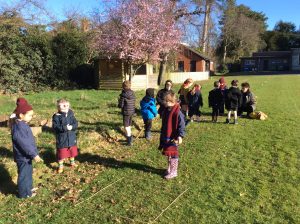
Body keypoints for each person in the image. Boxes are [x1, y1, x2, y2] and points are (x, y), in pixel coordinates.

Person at [11, 98, 43, 198]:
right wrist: (34, 154)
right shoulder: (18, 127)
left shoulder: (22, 124)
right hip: (23, 157)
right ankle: (24, 194)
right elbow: (24, 144)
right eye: (29, 115)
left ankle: (28, 188)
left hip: (26, 156)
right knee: (24, 176)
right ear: (21, 115)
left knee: (28, 173)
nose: (31, 117)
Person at [159, 91, 185, 179]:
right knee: (169, 153)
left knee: (173, 153)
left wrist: (180, 136)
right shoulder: (167, 110)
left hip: (174, 137)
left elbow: (181, 125)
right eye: (164, 101)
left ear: (172, 101)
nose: (165, 103)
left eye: (166, 102)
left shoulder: (178, 112)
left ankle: (174, 171)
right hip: (166, 135)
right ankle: (169, 168)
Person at [52, 99, 78, 174]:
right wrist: (65, 128)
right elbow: (55, 127)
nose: (65, 106)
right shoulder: (56, 116)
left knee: (72, 152)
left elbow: (75, 123)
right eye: (63, 105)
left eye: (67, 105)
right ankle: (61, 166)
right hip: (62, 139)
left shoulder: (71, 114)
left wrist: (72, 127)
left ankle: (72, 163)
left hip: (71, 137)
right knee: (61, 153)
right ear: (58, 107)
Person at [118, 80, 136, 146]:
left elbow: (121, 105)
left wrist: (119, 102)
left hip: (126, 112)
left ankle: (129, 140)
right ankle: (130, 137)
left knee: (126, 126)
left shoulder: (123, 95)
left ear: (124, 87)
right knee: (129, 125)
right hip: (132, 111)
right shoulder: (133, 93)